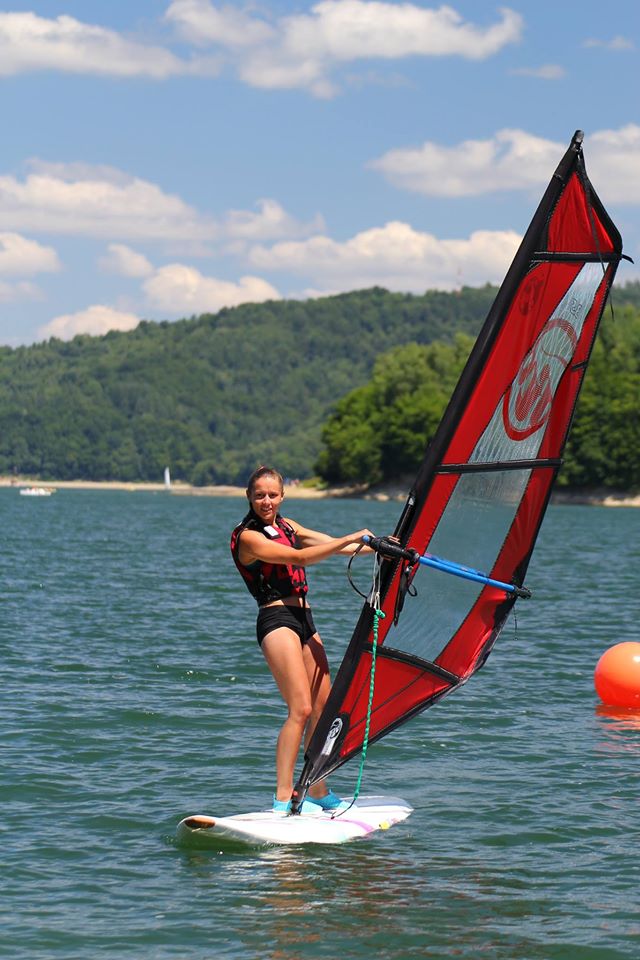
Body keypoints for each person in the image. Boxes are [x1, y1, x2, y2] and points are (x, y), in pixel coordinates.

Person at [230, 465, 373, 814]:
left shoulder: (288, 526)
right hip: (276, 620)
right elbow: (299, 557)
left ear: (282, 496)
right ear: (249, 497)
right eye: (259, 495)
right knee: (301, 709)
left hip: (305, 620)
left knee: (323, 710)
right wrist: (351, 536)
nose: (266, 501)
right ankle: (282, 797)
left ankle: (317, 789)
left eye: (272, 494)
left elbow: (332, 546)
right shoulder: (249, 537)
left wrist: (380, 545)